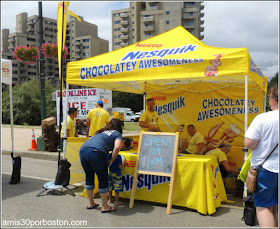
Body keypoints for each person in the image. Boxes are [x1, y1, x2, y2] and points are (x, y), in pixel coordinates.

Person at [244, 85, 279, 227]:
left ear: (274, 99)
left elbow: (249, 143)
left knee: (263, 207)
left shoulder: (263, 118)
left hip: (265, 170)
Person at [79, 118, 124, 213]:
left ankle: (91, 203)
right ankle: (105, 206)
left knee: (89, 177)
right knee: (102, 178)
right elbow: (117, 147)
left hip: (83, 150)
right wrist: (112, 160)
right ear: (120, 127)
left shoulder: (101, 131)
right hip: (97, 152)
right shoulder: (117, 134)